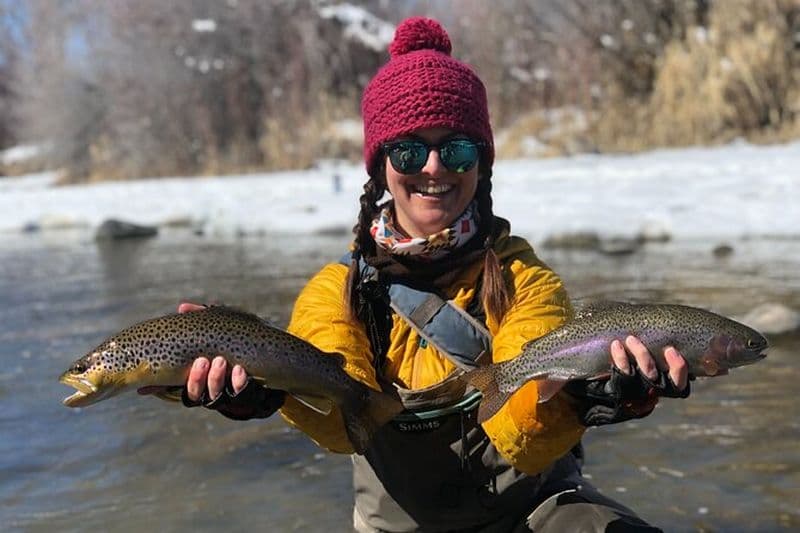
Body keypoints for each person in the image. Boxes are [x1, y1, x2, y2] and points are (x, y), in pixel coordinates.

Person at [177, 17, 690, 532]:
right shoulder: (337, 291)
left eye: (458, 149)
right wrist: (272, 389)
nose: (434, 167)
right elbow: (341, 424)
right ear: (382, 168)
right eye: (409, 150)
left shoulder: (525, 279)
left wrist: (580, 395)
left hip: (530, 513)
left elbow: (522, 435)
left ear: (481, 164)